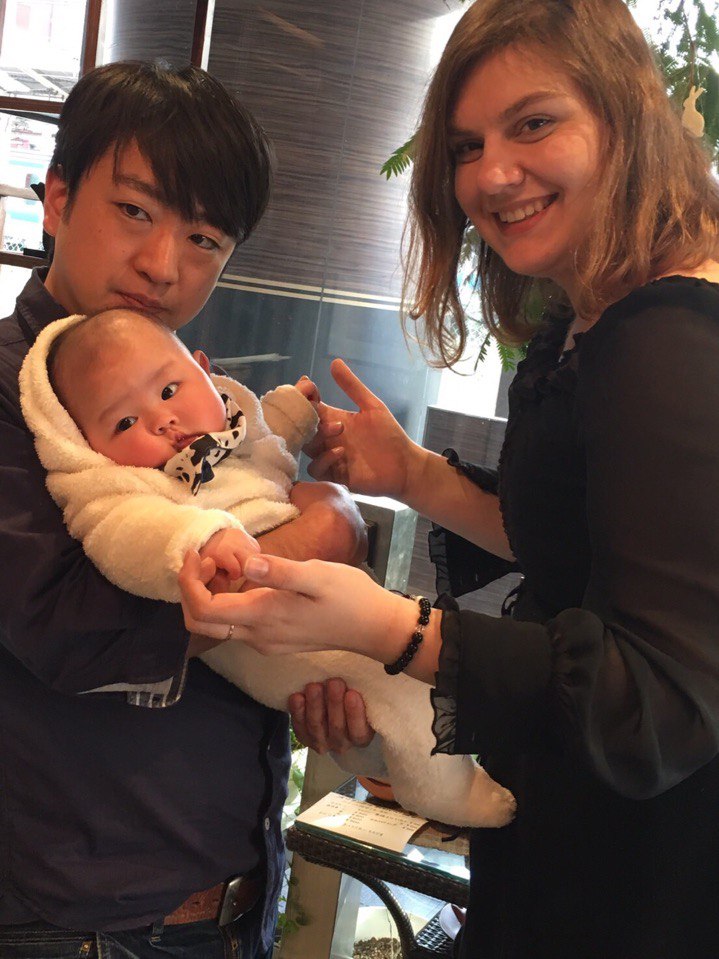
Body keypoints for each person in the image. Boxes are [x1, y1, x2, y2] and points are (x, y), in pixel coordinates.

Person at [177, 0, 719, 956]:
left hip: (638, 878)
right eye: (466, 146)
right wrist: (413, 475)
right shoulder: (593, 309)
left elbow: (653, 702)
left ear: (624, 115)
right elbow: (590, 541)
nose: (492, 174)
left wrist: (390, 628)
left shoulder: (668, 340)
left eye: (533, 124)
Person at [0, 61, 371, 959]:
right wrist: (311, 539)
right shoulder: (12, 395)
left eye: (204, 238)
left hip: (234, 907)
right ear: (57, 198)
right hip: (71, 927)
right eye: (134, 210)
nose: (163, 265)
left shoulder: (198, 400)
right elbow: (67, 625)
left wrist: (313, 665)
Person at [20, 307, 514, 828]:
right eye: (124, 423)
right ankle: (444, 792)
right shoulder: (129, 490)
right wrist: (202, 540)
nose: (162, 421)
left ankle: (401, 763)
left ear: (204, 370)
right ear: (85, 446)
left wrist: (296, 411)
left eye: (168, 390)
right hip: (260, 640)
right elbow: (129, 534)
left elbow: (271, 441)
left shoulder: (234, 439)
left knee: (393, 674)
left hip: (324, 602)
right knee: (398, 686)